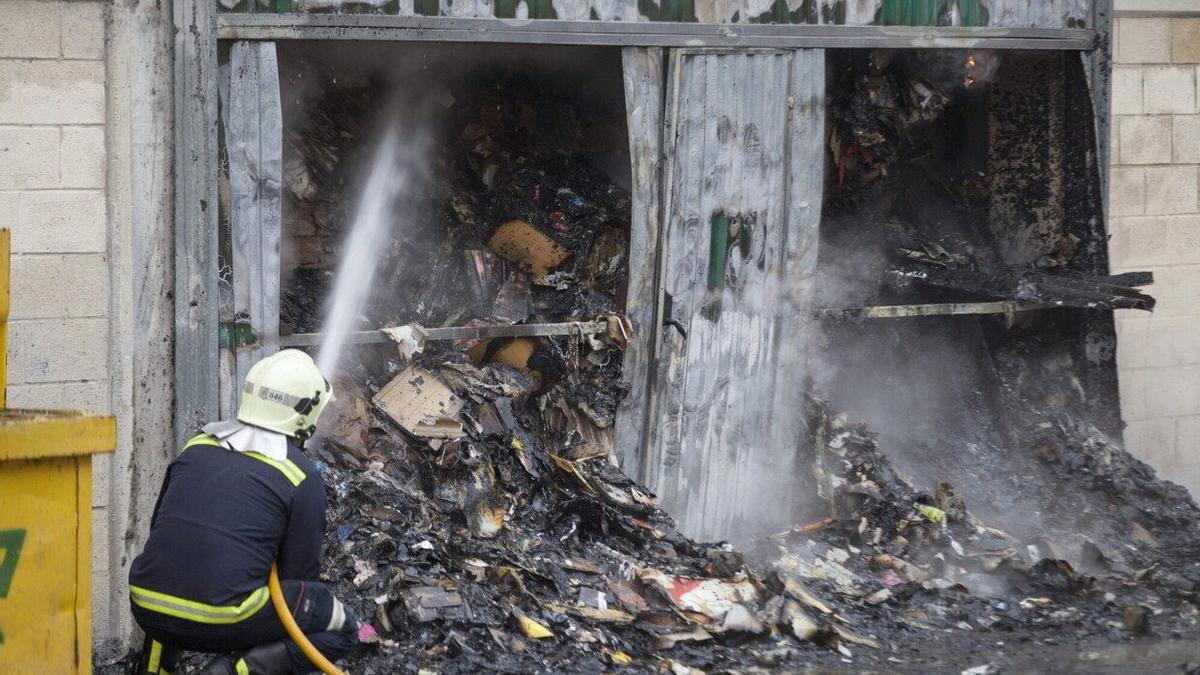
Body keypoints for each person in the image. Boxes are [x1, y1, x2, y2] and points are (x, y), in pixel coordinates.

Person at [129, 349, 358, 675]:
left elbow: (163, 537)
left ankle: (152, 671)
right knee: (338, 622)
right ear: (304, 416)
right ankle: (234, 671)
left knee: (172, 575)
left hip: (147, 603)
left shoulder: (197, 446)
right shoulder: (299, 475)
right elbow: (300, 581)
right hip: (223, 618)